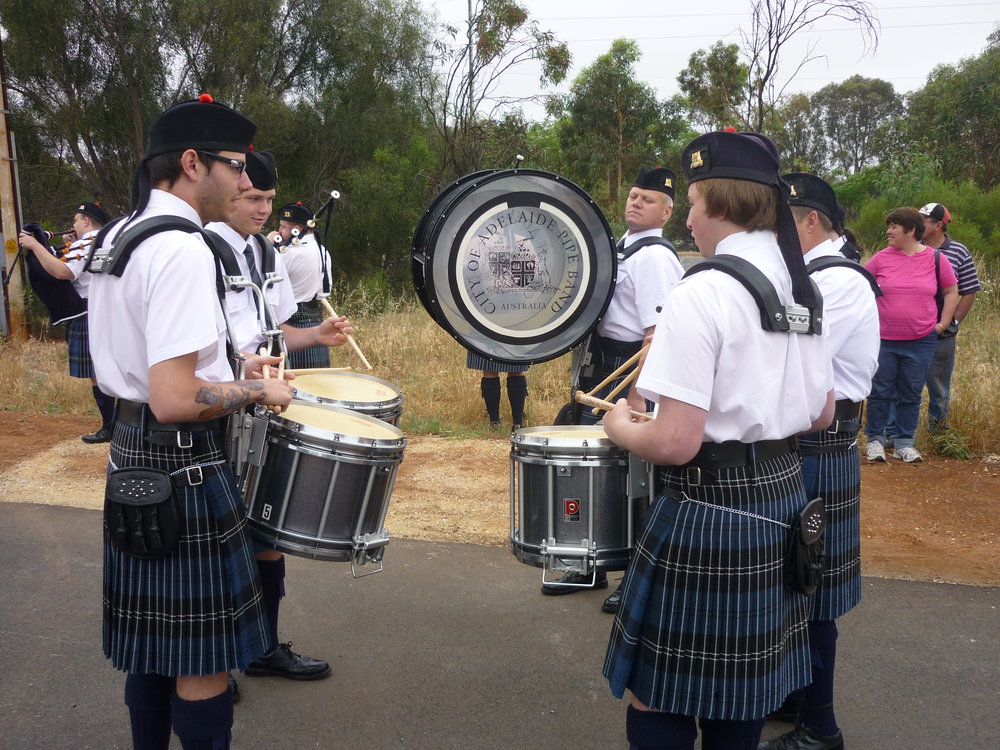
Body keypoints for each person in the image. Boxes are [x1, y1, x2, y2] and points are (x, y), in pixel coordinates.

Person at [600, 130, 834, 750]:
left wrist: (620, 426)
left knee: (663, 695)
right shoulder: (801, 283)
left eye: (695, 202)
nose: (692, 219)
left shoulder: (701, 289)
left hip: (709, 509)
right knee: (743, 695)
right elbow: (820, 413)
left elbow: (676, 441)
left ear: (718, 205)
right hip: (784, 500)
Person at [87, 94, 293, 749]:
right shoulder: (181, 249)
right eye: (233, 166)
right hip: (183, 466)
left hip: (130, 454)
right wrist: (255, 394)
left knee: (151, 650)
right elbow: (176, 396)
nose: (242, 180)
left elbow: (136, 364)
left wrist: (234, 367)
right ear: (190, 162)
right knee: (200, 662)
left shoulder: (119, 235)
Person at [205, 150, 354, 690]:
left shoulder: (266, 255)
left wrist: (316, 337)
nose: (264, 208)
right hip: (218, 403)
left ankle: (264, 646)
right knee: (221, 536)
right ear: (228, 191)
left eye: (269, 199)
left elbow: (276, 330)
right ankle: (216, 658)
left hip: (262, 400)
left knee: (265, 530)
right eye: (253, 198)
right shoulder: (202, 250)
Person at [757, 173, 881, 750]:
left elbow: (797, 367)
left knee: (814, 587)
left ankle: (820, 728)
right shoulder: (817, 277)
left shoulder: (839, 281)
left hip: (821, 444)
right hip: (811, 443)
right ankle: (798, 695)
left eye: (786, 220)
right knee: (798, 582)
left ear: (809, 221)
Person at [544, 165, 684, 599]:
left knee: (633, 478)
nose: (636, 201)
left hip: (629, 372)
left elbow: (655, 335)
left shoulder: (657, 258)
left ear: (667, 213)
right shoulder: (619, 249)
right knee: (595, 471)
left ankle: (637, 578)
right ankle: (592, 564)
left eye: (648, 199)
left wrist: (636, 395)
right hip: (601, 367)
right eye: (633, 195)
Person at [863, 207, 958, 463]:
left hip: (921, 340)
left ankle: (905, 442)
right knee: (880, 391)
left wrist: (942, 324)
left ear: (911, 230)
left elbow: (951, 291)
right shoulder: (880, 259)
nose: (888, 231)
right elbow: (860, 287)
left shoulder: (936, 259)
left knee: (911, 392)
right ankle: (875, 440)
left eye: (894, 227)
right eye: (889, 226)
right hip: (884, 340)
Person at [18, 202, 116, 442]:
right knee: (113, 369)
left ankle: (110, 427)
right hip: (109, 310)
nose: (72, 225)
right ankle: (120, 425)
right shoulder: (105, 240)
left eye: (75, 220)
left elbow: (63, 272)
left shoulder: (87, 241)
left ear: (86, 221)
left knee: (97, 374)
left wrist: (34, 246)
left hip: (89, 312)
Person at [916, 203, 981, 433]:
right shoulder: (912, 248)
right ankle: (897, 435)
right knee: (902, 383)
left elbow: (970, 289)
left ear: (938, 224)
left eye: (923, 220)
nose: (918, 224)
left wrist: (952, 323)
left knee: (939, 386)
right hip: (911, 329)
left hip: (940, 332)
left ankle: (938, 434)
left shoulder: (959, 251)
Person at [274, 202, 332, 369]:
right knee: (316, 387)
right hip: (316, 322)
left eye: (283, 227)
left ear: (297, 230)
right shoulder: (323, 251)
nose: (279, 231)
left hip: (291, 326)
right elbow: (323, 292)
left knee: (292, 388)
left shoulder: (288, 255)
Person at [466, 351, 529, 431]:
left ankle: (494, 422)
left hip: (487, 340)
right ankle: (518, 423)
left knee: (489, 370)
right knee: (516, 369)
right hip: (514, 340)